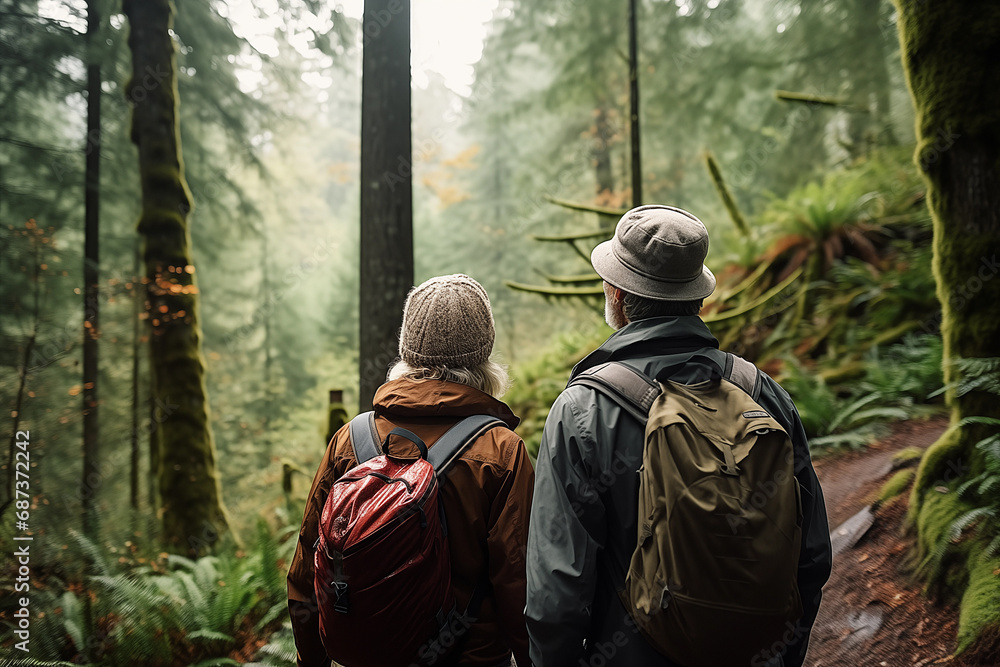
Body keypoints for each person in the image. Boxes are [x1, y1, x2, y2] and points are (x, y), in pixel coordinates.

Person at [524, 205, 832, 667]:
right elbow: (811, 556)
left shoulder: (582, 410)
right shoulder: (763, 395)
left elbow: (556, 593)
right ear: (697, 297)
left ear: (618, 295)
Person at [288, 274, 534, 667]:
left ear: (407, 353)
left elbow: (308, 566)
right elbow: (518, 582)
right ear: (484, 355)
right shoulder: (501, 452)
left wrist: (312, 660)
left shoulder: (350, 440)